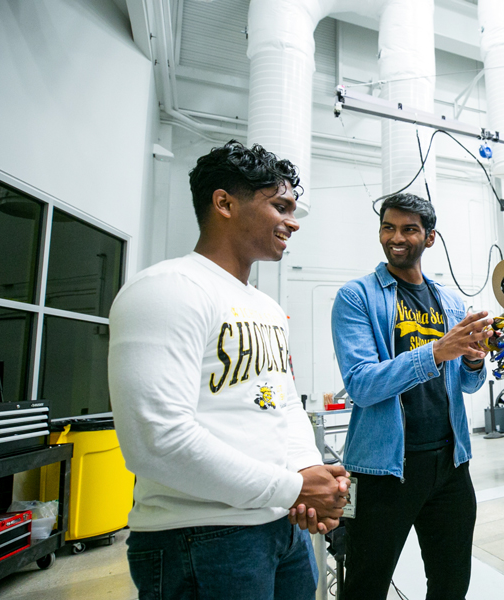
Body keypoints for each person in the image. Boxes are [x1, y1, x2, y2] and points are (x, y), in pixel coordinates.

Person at [108, 140, 349, 600]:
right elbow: (156, 441)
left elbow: (283, 407)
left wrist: (311, 473)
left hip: (283, 530)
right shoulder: (167, 289)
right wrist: (294, 487)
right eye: (280, 206)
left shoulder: (268, 308)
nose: (293, 222)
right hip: (201, 537)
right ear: (224, 202)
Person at [330, 192, 493, 600]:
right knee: (366, 585)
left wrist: (473, 360)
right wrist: (438, 351)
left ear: (430, 238)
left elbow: (468, 386)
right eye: (388, 227)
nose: (396, 237)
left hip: (451, 464)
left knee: (451, 581)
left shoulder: (450, 302)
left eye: (408, 229)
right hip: (384, 469)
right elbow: (363, 385)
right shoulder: (357, 297)